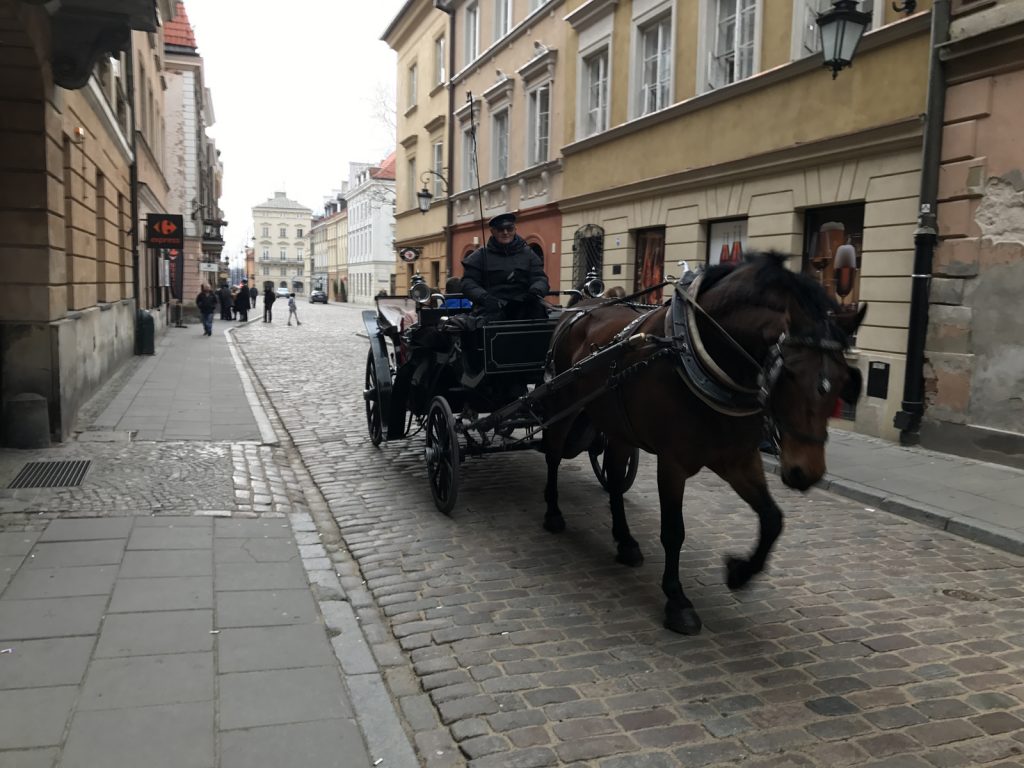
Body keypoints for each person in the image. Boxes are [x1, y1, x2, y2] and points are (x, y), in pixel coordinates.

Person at [460, 212, 549, 321]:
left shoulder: (529, 254)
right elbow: (468, 283)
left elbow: (540, 277)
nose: (505, 232)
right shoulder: (480, 256)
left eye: (509, 228)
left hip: (525, 306)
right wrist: (484, 298)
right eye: (500, 229)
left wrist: (536, 291)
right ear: (493, 231)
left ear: (515, 229)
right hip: (492, 307)